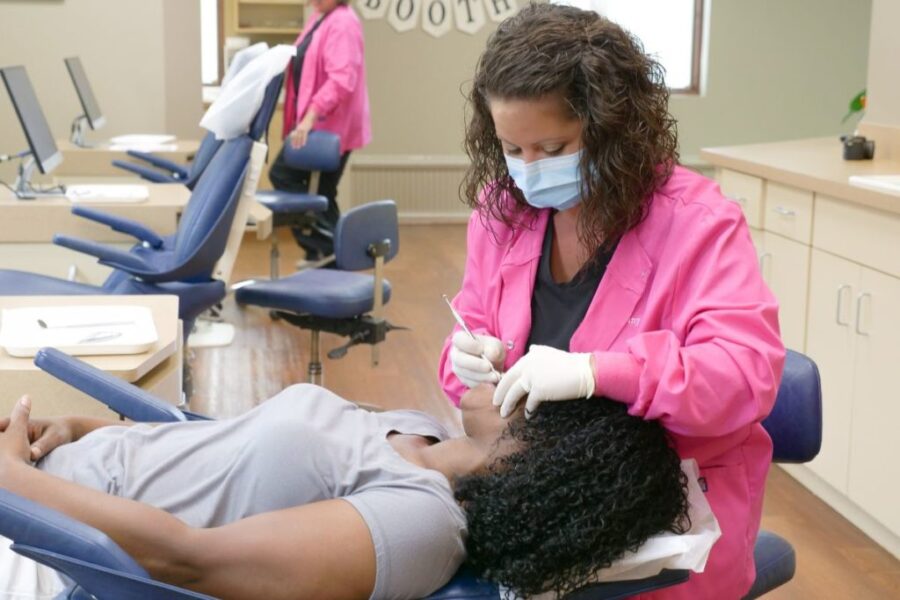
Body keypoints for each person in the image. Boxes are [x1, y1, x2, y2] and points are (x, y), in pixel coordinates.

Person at [438, 4, 785, 598]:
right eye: (512, 149)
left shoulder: (697, 224)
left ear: (612, 124)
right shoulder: (504, 214)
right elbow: (468, 366)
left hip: (668, 501)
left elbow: (745, 375)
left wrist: (600, 372)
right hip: (538, 479)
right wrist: (466, 357)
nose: (529, 171)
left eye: (553, 146)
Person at [0, 383, 690, 600]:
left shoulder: (421, 524)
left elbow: (191, 559)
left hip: (37, 545)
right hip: (51, 475)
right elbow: (223, 448)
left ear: (541, 464)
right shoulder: (416, 432)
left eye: (548, 402)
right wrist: (81, 427)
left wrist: (17, 486)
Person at [268, 0, 371, 262]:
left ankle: (334, 251)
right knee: (322, 193)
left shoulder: (343, 23)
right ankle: (327, 253)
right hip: (318, 124)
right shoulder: (319, 17)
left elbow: (341, 79)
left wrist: (310, 116)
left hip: (329, 127)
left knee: (284, 175)